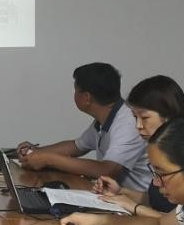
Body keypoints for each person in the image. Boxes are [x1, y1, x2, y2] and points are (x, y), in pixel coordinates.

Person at [17, 62, 152, 191]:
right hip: (114, 195)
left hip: (136, 201)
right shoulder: (105, 119)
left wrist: (49, 159)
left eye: (75, 90)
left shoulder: (129, 122)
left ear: (87, 97)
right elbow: (77, 146)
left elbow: (107, 170)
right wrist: (36, 152)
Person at [93, 74, 184, 215]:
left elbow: (179, 222)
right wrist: (120, 191)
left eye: (144, 117)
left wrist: (133, 206)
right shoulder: (160, 150)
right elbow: (159, 203)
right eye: (135, 118)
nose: (138, 126)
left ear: (168, 116)